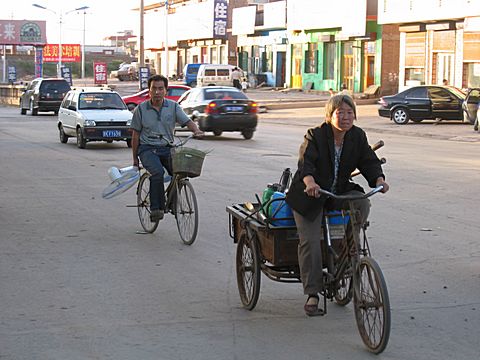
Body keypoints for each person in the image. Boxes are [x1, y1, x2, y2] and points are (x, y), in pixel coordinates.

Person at [286, 94, 389, 316]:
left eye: (350, 112)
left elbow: (369, 161)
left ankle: (349, 251)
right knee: (310, 242)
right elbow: (306, 163)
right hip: (309, 195)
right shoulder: (316, 135)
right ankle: (313, 293)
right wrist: (310, 182)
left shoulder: (357, 136)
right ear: (330, 115)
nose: (345, 117)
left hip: (337, 191)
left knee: (362, 203)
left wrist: (379, 180)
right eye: (340, 112)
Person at [130, 74, 204, 222]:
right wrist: (135, 159)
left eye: (160, 89)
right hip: (147, 149)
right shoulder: (141, 109)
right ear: (149, 91)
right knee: (157, 172)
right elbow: (135, 135)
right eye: (154, 89)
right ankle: (156, 208)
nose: (157, 92)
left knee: (181, 172)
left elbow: (187, 121)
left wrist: (196, 130)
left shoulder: (173, 106)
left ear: (166, 90)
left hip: (167, 147)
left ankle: (173, 201)